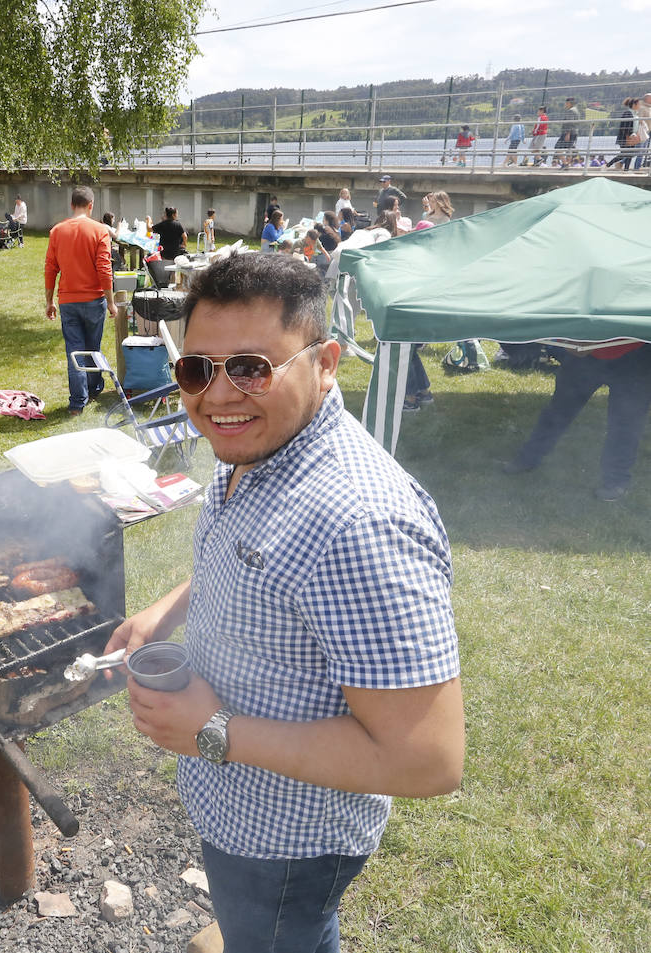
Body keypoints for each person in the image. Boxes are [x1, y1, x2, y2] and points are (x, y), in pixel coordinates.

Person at [104, 252, 463, 952]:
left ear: (325, 362)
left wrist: (214, 731)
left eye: (251, 367)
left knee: (280, 934)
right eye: (197, 370)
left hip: (290, 840)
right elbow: (253, 554)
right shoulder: (253, 441)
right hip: (240, 805)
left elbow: (429, 758)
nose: (218, 395)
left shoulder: (360, 522)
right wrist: (165, 611)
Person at [503, 342, 651, 501]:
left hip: (637, 353)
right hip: (586, 353)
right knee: (558, 411)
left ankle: (616, 480)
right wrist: (570, 341)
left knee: (627, 421)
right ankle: (527, 458)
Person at [44, 186, 116, 415]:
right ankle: (94, 389)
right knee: (92, 348)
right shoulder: (99, 230)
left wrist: (49, 301)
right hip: (94, 299)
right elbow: (105, 269)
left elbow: (50, 269)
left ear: (72, 204)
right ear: (91, 205)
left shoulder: (57, 231)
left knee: (74, 352)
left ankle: (77, 402)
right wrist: (111, 301)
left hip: (68, 301)